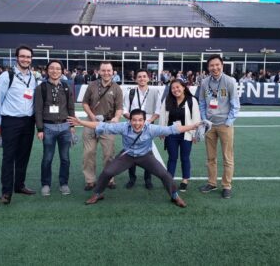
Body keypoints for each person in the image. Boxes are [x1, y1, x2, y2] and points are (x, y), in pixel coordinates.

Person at [67, 109, 201, 208]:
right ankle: (98, 194)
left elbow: (174, 129)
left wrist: (194, 126)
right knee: (108, 172)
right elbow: (102, 126)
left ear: (144, 121)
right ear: (129, 121)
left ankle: (174, 195)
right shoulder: (124, 127)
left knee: (164, 174)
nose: (137, 123)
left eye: (140, 120)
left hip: (145, 156)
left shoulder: (151, 128)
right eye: (134, 120)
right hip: (128, 155)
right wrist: (81, 122)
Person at [0, 45, 37, 204]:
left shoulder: (33, 76)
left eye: (28, 57)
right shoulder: (7, 76)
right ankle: (6, 192)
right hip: (11, 121)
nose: (25, 59)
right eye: (23, 56)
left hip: (28, 122)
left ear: (31, 59)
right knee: (8, 157)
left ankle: (19, 185)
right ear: (17, 58)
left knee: (23, 156)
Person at [198, 54, 240, 199]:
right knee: (210, 157)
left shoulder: (229, 81)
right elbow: (202, 102)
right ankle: (211, 182)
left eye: (217, 65)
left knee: (227, 157)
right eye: (211, 65)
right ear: (208, 67)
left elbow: (235, 104)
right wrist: (204, 119)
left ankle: (227, 186)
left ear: (222, 65)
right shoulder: (204, 82)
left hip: (224, 125)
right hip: (209, 125)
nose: (214, 68)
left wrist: (229, 122)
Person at [34, 60, 76, 197]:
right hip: (48, 128)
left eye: (58, 69)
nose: (55, 71)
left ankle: (64, 183)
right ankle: (45, 184)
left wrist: (72, 125)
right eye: (52, 68)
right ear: (47, 70)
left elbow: (71, 107)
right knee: (47, 158)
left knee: (65, 158)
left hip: (65, 127)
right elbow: (38, 110)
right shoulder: (42, 87)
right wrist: (40, 129)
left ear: (62, 71)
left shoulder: (66, 86)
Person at [81, 61, 123, 191]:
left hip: (108, 124)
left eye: (108, 70)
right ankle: (90, 180)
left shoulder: (117, 88)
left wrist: (116, 118)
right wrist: (92, 116)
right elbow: (84, 103)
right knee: (88, 152)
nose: (106, 73)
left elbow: (119, 108)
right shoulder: (92, 85)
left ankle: (109, 178)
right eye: (103, 70)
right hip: (91, 122)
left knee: (109, 154)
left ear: (112, 72)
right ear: (99, 71)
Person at [159, 79, 201, 192]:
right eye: (173, 88)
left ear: (183, 87)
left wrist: (194, 134)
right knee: (172, 157)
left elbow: (196, 118)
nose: (175, 90)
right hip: (171, 134)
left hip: (186, 134)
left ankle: (185, 180)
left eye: (178, 87)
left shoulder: (192, 100)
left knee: (185, 157)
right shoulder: (167, 100)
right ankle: (169, 179)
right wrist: (162, 131)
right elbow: (163, 116)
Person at [123, 69, 162, 190]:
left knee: (147, 152)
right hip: (132, 126)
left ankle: (148, 179)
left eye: (144, 76)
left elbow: (158, 111)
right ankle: (132, 178)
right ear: (135, 79)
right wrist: (135, 121)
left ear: (148, 78)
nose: (142, 79)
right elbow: (124, 110)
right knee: (130, 151)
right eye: (139, 77)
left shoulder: (155, 92)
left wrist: (147, 122)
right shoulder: (130, 92)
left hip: (148, 126)